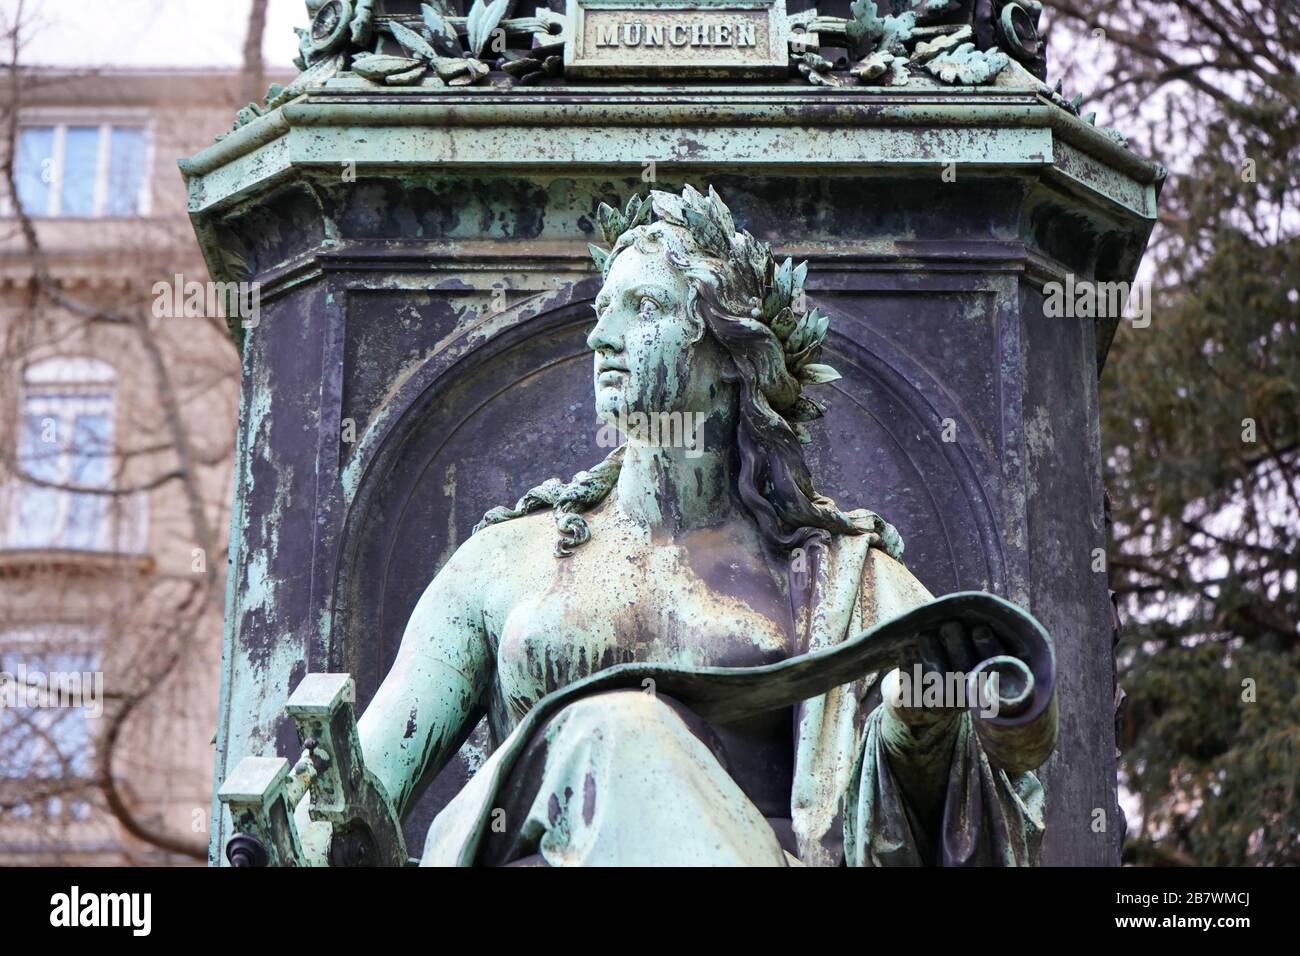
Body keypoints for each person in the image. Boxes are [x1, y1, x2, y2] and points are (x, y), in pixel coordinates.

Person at [354, 184, 1052, 866]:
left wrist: (919, 729)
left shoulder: (844, 581)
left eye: (644, 307)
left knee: (626, 723)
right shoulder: (501, 562)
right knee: (619, 723)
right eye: (604, 310)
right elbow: (361, 791)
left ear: (731, 356)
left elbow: (997, 772)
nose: (602, 336)